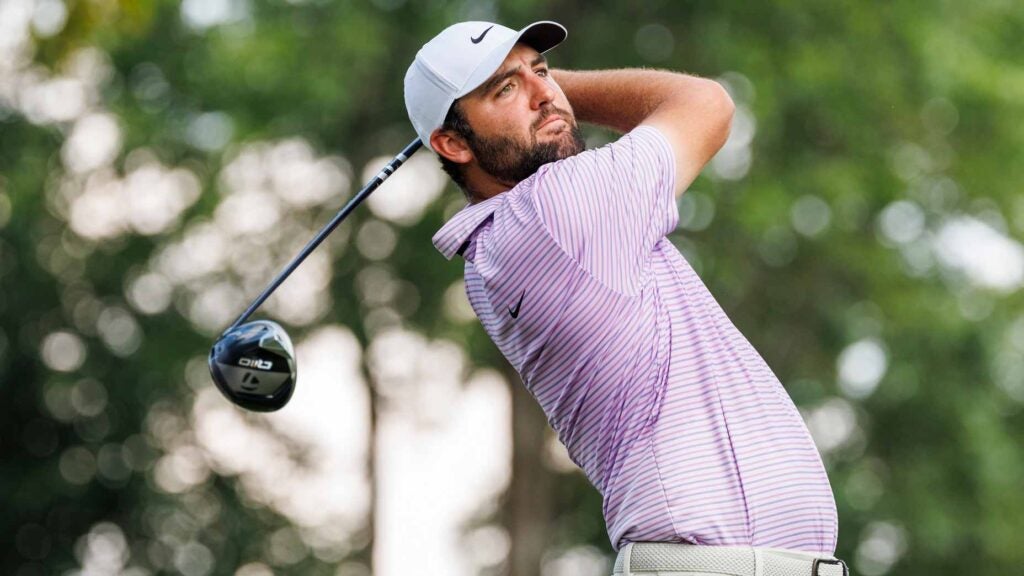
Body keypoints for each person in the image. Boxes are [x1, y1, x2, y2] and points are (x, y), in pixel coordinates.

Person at [404, 20, 848, 576]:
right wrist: (562, 90)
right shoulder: (557, 211)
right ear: (451, 143)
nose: (545, 92)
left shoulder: (506, 243)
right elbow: (705, 103)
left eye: (542, 71)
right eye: (506, 89)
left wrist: (529, 91)